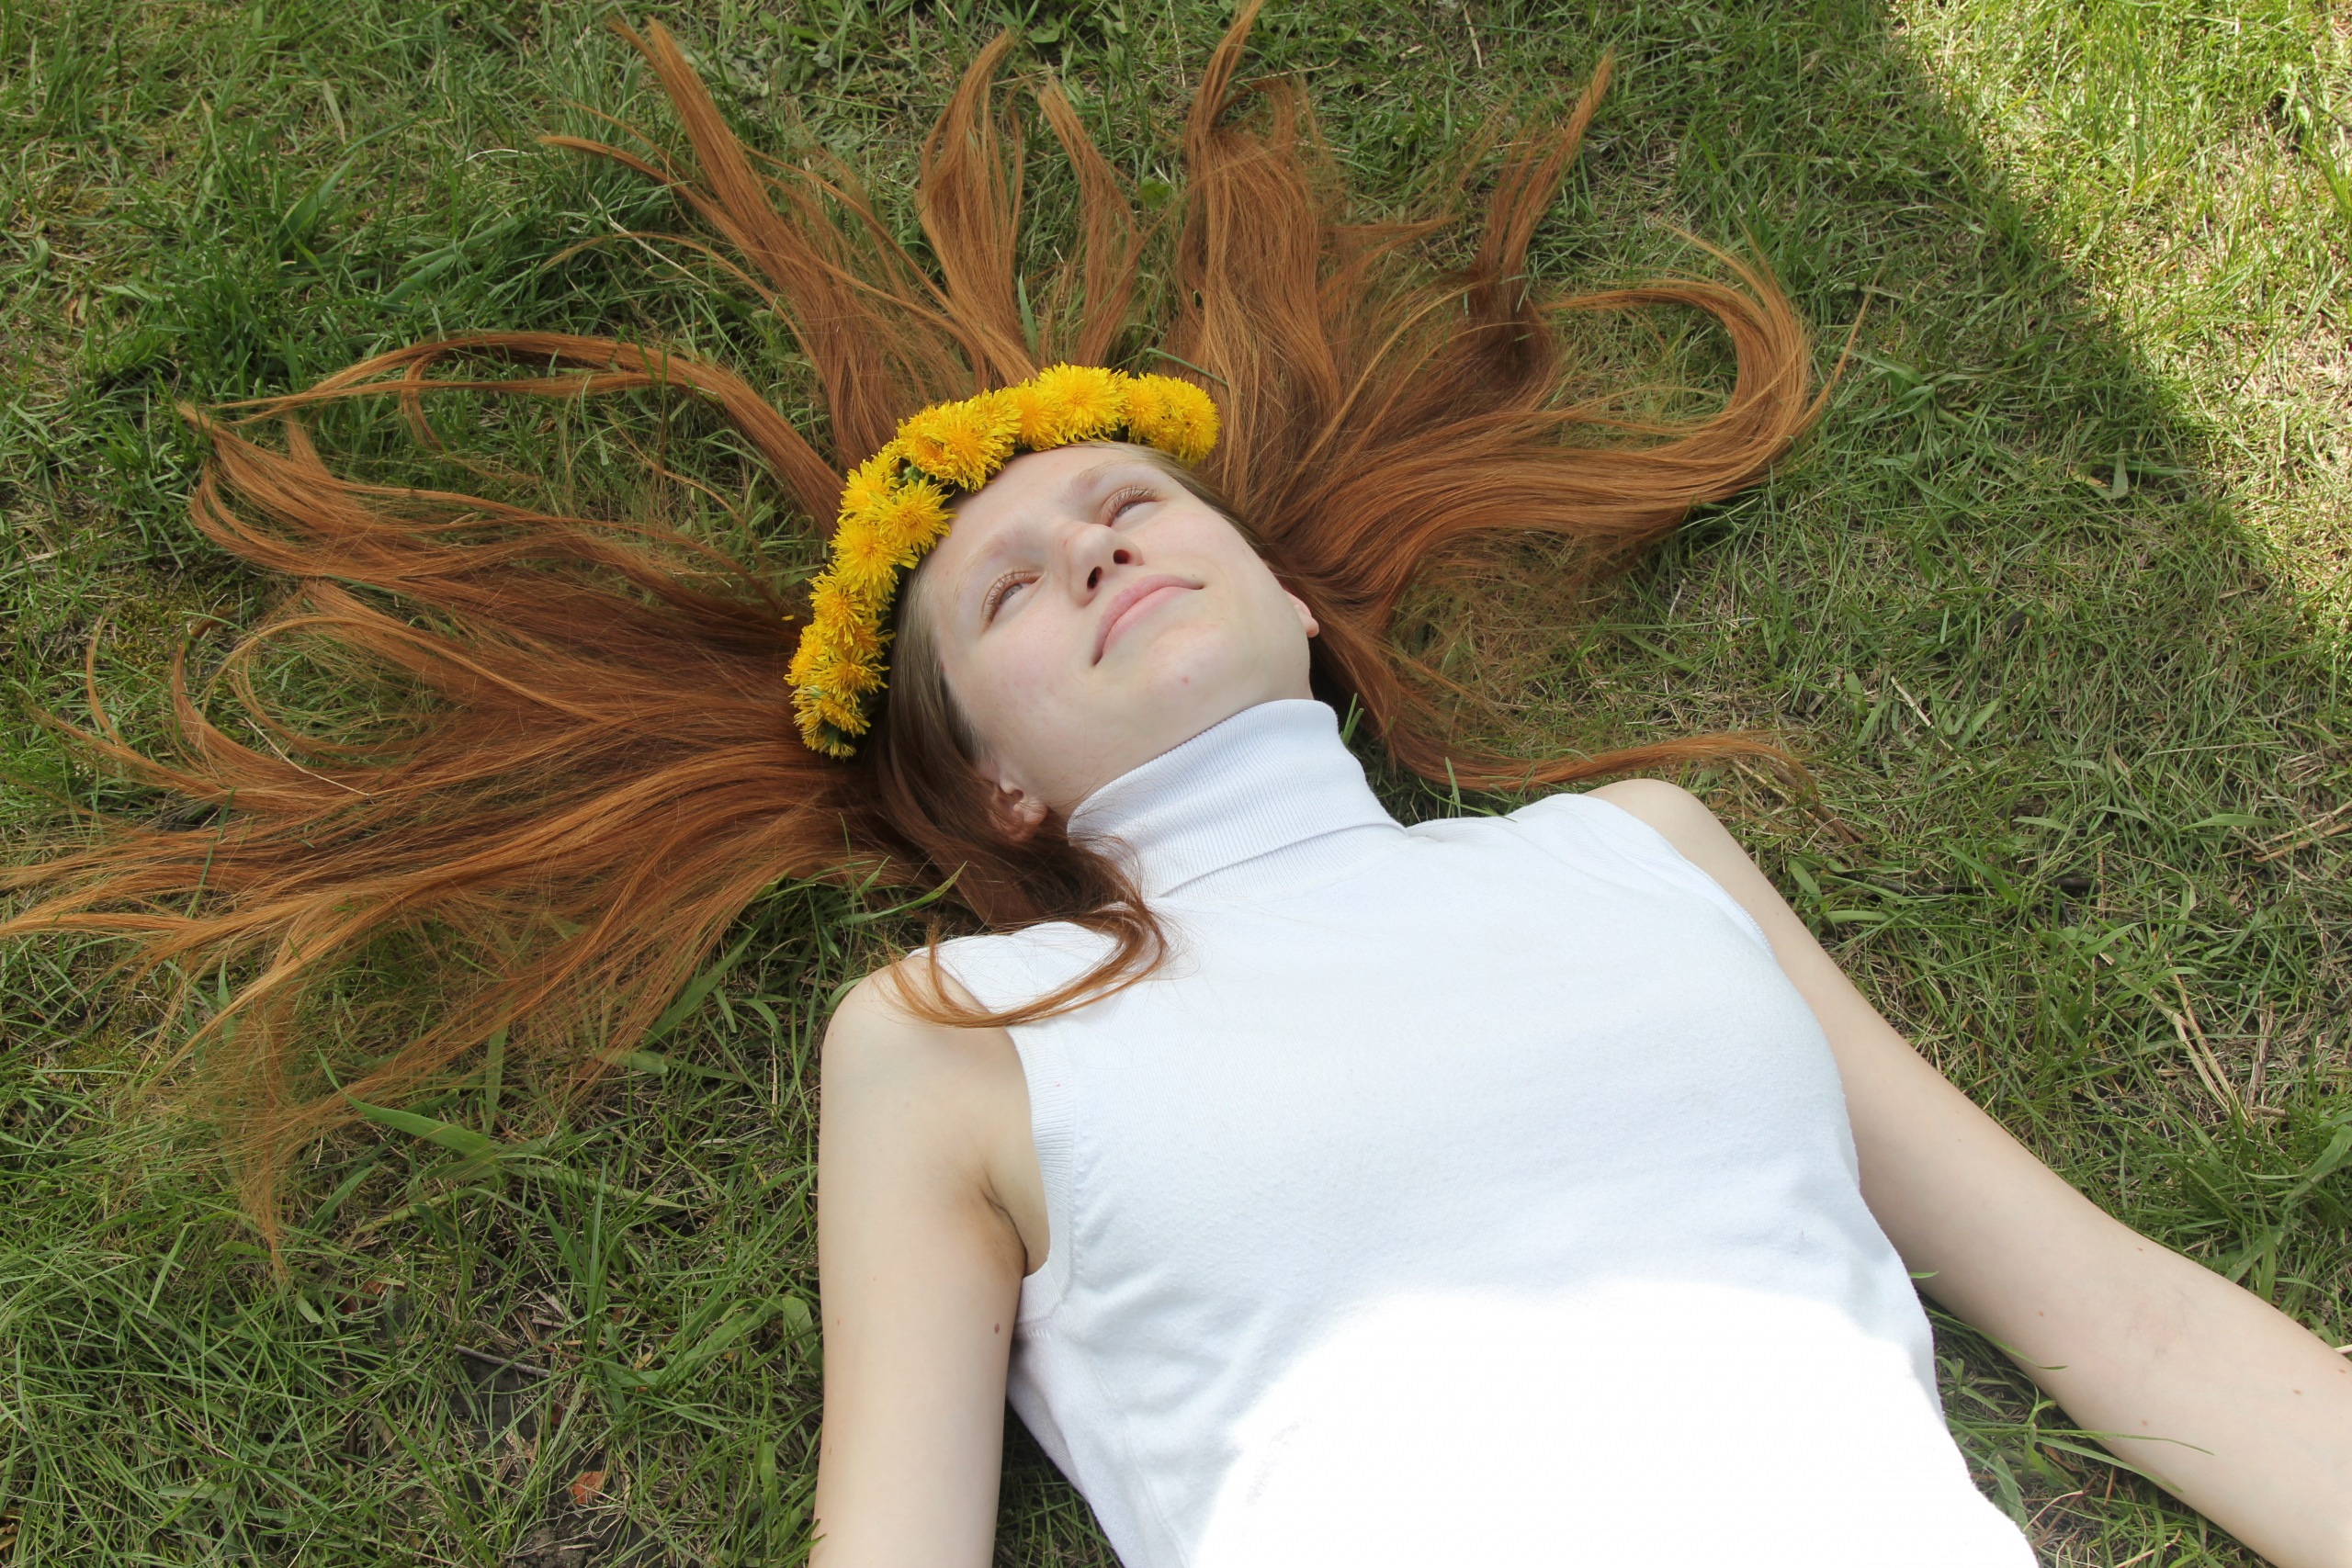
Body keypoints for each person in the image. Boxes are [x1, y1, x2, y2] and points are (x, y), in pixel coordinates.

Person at [6, 8, 2346, 1566]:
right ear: (992, 787)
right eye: (1006, 590)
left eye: (1127, 501)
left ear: (1291, 602)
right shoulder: (956, 1037)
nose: (1091, 542)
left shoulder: (1632, 850)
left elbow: (2113, 1320)